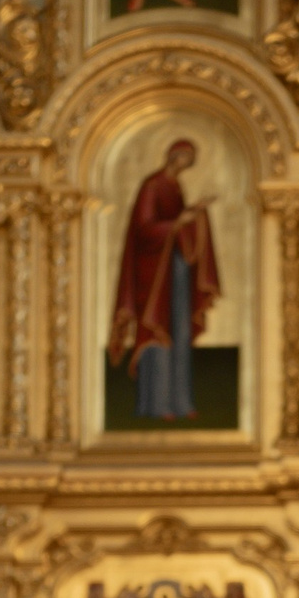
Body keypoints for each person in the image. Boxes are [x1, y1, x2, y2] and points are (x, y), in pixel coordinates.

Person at [107, 141, 222, 423]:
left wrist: (194, 214)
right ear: (174, 155)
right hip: (153, 275)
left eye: (191, 160)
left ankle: (181, 402)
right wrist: (179, 222)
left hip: (175, 269)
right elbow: (144, 230)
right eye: (186, 158)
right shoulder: (152, 186)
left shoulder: (174, 187)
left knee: (180, 331)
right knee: (157, 331)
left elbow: (176, 224)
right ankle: (156, 404)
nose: (188, 163)